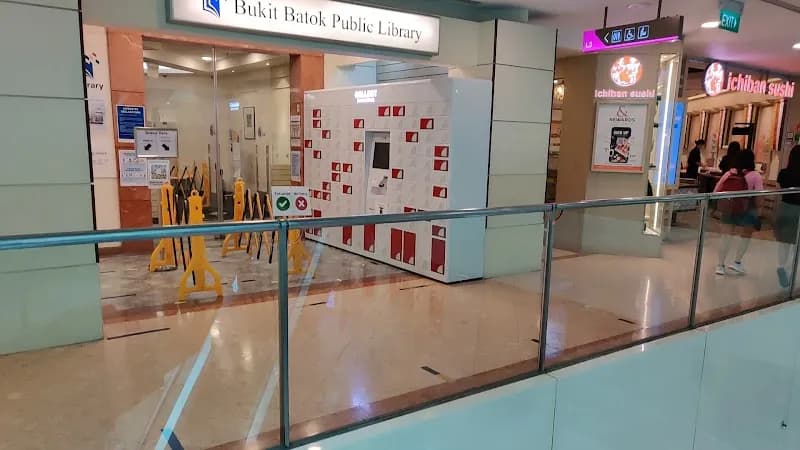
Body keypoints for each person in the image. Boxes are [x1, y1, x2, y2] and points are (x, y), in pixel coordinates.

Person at [714, 149, 763, 276]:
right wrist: (759, 211)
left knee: (726, 237)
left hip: (729, 209)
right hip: (747, 210)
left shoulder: (730, 173)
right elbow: (759, 196)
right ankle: (737, 262)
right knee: (745, 237)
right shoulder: (755, 176)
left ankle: (720, 265)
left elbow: (716, 190)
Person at [775, 145, 800, 287]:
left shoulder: (783, 173)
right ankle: (792, 269)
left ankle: (781, 266)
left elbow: (780, 191)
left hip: (785, 208)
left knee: (784, 242)